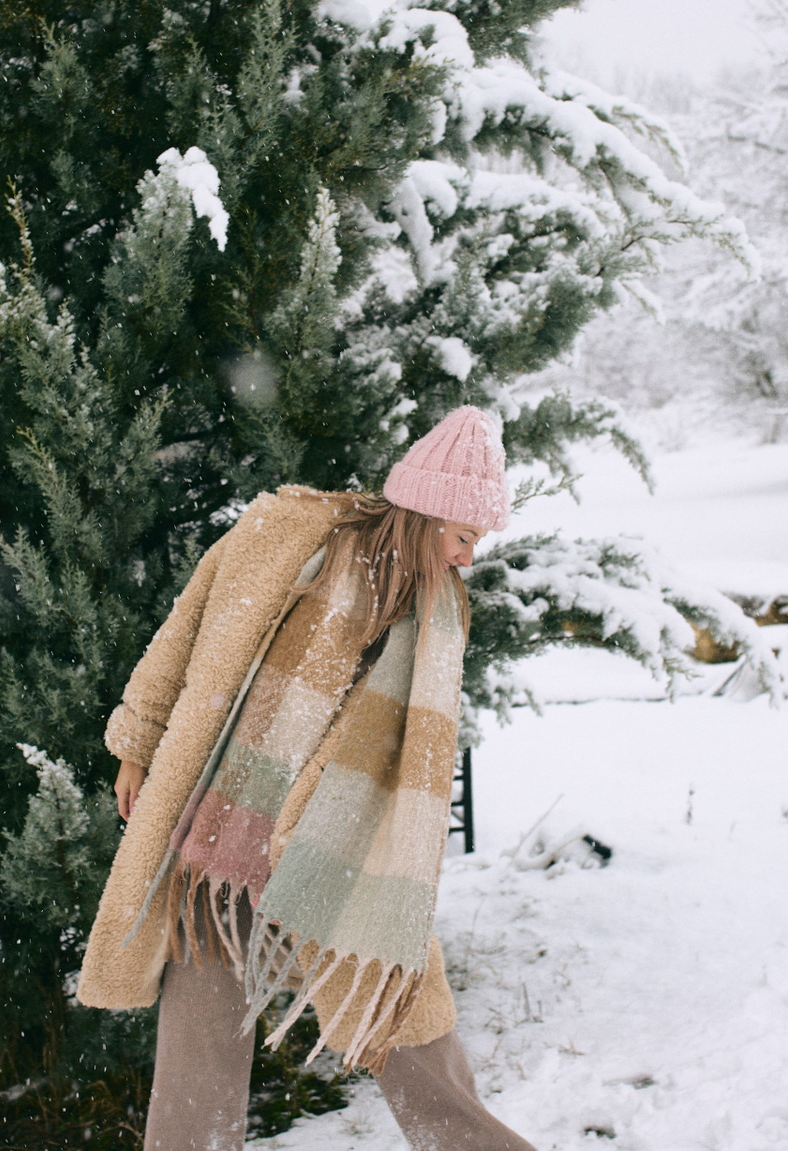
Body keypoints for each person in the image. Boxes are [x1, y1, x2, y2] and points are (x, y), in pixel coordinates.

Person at [75, 406, 535, 1151]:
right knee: (199, 1049)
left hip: (338, 841)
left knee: (399, 1008)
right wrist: (137, 744)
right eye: (462, 535)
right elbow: (186, 629)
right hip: (222, 831)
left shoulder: (435, 609)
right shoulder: (285, 533)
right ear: (425, 514)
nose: (468, 556)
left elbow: (417, 754)